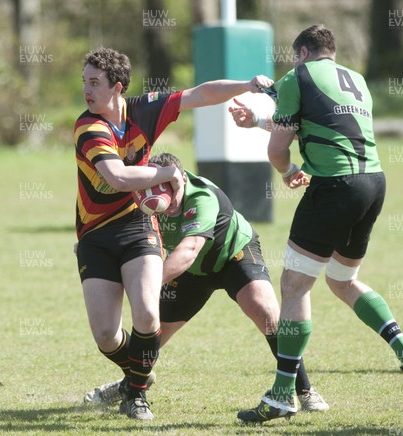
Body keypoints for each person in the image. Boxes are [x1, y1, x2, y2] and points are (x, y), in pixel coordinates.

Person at [229, 25, 403, 423]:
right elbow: (318, 126)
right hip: (373, 184)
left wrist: (288, 170)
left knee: (293, 284)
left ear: (302, 52)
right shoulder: (355, 80)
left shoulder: (297, 77)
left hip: (335, 188)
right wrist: (257, 118)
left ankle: (283, 394)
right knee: (341, 279)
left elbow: (280, 147)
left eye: (294, 58)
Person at [74, 47, 272, 420]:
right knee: (106, 335)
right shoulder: (89, 126)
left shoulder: (144, 110)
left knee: (148, 313)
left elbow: (200, 94)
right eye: (84, 81)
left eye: (94, 82)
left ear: (117, 87)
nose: (86, 89)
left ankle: (135, 395)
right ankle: (139, 373)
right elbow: (117, 178)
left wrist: (247, 85)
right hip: (95, 234)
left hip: (136, 226)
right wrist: (167, 174)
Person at [84, 152, 329, 413]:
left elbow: (189, 250)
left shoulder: (201, 196)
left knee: (265, 310)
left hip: (233, 256)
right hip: (191, 274)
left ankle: (305, 390)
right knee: (151, 333)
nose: (162, 201)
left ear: (178, 179)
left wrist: (147, 286)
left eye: (166, 190)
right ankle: (130, 387)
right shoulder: (143, 199)